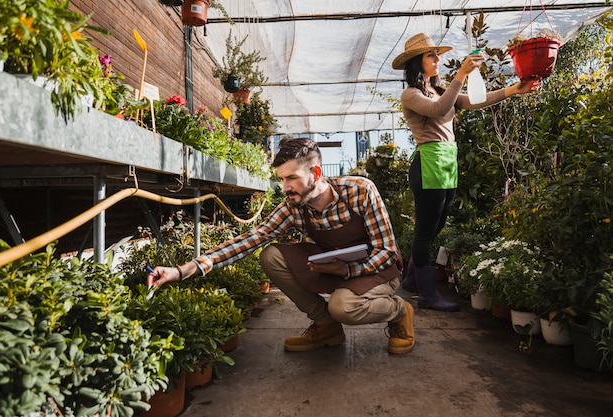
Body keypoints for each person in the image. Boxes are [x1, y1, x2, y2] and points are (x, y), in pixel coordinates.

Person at [147, 137, 415, 355]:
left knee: (342, 306)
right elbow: (250, 239)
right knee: (271, 255)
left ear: (316, 173)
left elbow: (387, 252)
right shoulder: (293, 207)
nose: (285, 187)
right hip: (336, 269)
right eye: (281, 179)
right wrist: (182, 271)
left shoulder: (359, 191)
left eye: (292, 178)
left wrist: (346, 271)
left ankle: (399, 312)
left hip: (377, 271)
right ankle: (326, 327)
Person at [391, 33, 541, 311]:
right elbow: (439, 109)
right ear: (417, 62)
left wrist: (512, 90)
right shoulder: (411, 94)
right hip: (428, 163)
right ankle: (427, 295)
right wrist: (461, 73)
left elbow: (473, 100)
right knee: (425, 231)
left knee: (435, 227)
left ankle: (412, 280)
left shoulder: (438, 90)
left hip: (447, 162)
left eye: (437, 54)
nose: (437, 59)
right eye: (431, 55)